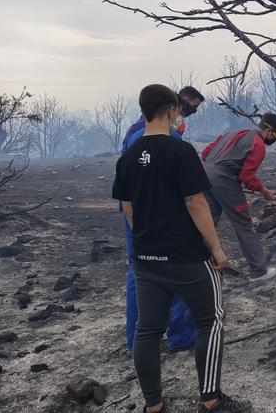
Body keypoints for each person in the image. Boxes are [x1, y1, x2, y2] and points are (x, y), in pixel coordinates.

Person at [112, 84, 251, 413]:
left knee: (147, 329)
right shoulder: (180, 150)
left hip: (145, 258)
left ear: (144, 111)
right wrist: (216, 248)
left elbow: (128, 208)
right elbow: (195, 202)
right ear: (173, 110)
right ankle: (211, 400)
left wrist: (146, 240)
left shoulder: (127, 157)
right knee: (211, 321)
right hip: (186, 256)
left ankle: (153, 406)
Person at [121, 86, 206, 352]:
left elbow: (126, 189)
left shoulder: (134, 132)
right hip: (160, 216)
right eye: (186, 108)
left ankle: (139, 338)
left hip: (135, 213)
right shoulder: (167, 139)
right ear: (172, 107)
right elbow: (191, 197)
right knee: (180, 270)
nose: (187, 114)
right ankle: (181, 336)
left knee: (140, 271)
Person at [201, 113, 276, 282]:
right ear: (268, 129)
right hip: (224, 180)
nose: (275, 139)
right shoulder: (258, 145)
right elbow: (247, 177)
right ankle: (259, 270)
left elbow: (205, 152)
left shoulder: (234, 132)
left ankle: (199, 265)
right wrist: (264, 191)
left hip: (204, 174)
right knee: (243, 224)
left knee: (206, 221)